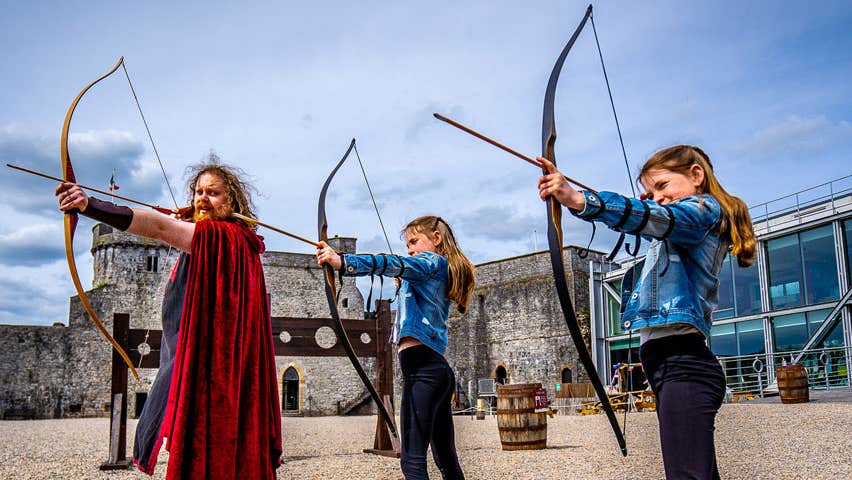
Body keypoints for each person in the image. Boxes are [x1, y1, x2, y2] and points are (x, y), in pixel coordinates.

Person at [538, 145, 755, 480]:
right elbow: (653, 219)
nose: (657, 197)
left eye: (663, 185)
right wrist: (644, 204)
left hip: (684, 366)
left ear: (696, 175)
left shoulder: (704, 210)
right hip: (673, 366)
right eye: (650, 192)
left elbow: (658, 218)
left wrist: (581, 200)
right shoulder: (680, 232)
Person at [56, 160, 282, 480]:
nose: (202, 199)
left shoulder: (224, 237)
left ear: (232, 201)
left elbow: (160, 228)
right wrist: (194, 218)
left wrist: (89, 205)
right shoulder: (234, 240)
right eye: (198, 192)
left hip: (214, 377)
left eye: (213, 193)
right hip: (217, 370)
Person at [316, 215, 475, 480]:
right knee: (445, 458)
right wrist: (404, 287)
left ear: (436, 239)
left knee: (412, 461)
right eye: (407, 244)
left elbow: (393, 263)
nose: (409, 249)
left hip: (423, 370)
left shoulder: (432, 262)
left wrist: (343, 262)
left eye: (414, 241)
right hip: (437, 371)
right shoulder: (436, 270)